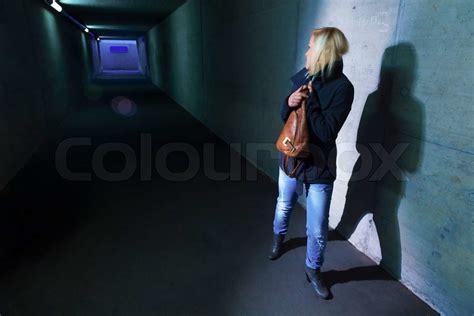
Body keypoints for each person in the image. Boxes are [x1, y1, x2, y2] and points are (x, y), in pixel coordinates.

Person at [269, 27, 354, 299]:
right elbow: (288, 119)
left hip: (319, 166)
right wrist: (289, 101)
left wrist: (311, 98)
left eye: (309, 46)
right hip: (292, 158)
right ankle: (278, 238)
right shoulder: (304, 77)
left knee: (317, 228)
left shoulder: (343, 88)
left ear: (322, 51)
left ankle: (313, 269)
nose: (305, 51)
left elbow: (327, 132)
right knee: (284, 204)